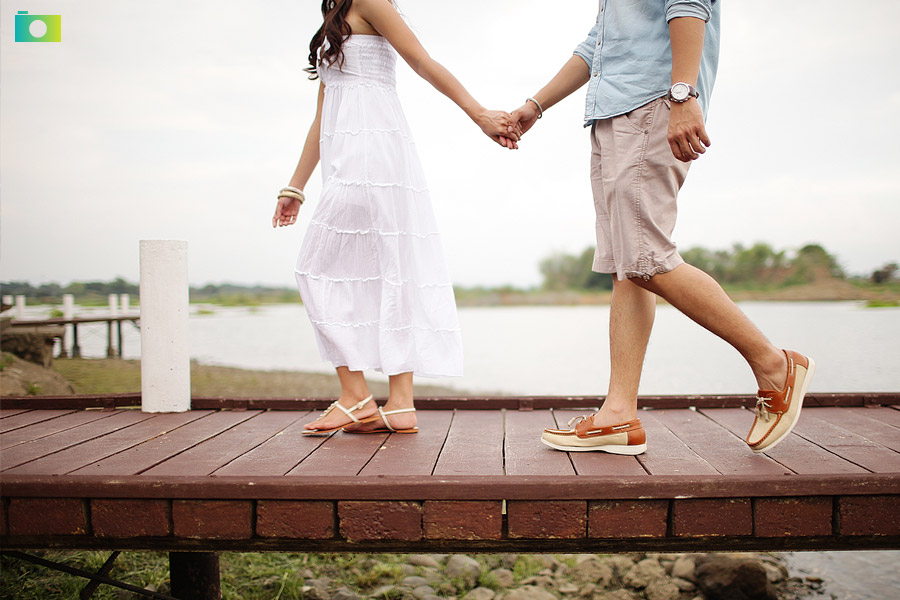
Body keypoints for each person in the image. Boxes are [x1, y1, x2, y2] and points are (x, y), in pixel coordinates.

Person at [505, 0, 815, 455]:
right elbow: (599, 44)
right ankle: (618, 415)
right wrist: (536, 105)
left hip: (652, 103)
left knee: (647, 258)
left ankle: (774, 365)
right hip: (612, 112)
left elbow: (688, 6)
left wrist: (683, 96)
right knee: (628, 268)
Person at [273, 0, 520, 435]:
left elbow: (422, 62)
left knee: (318, 266)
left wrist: (479, 113)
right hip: (345, 153)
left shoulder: (370, 0)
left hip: (372, 149)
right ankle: (400, 403)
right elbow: (321, 117)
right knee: (387, 266)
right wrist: (296, 186)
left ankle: (355, 396)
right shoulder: (334, 16)